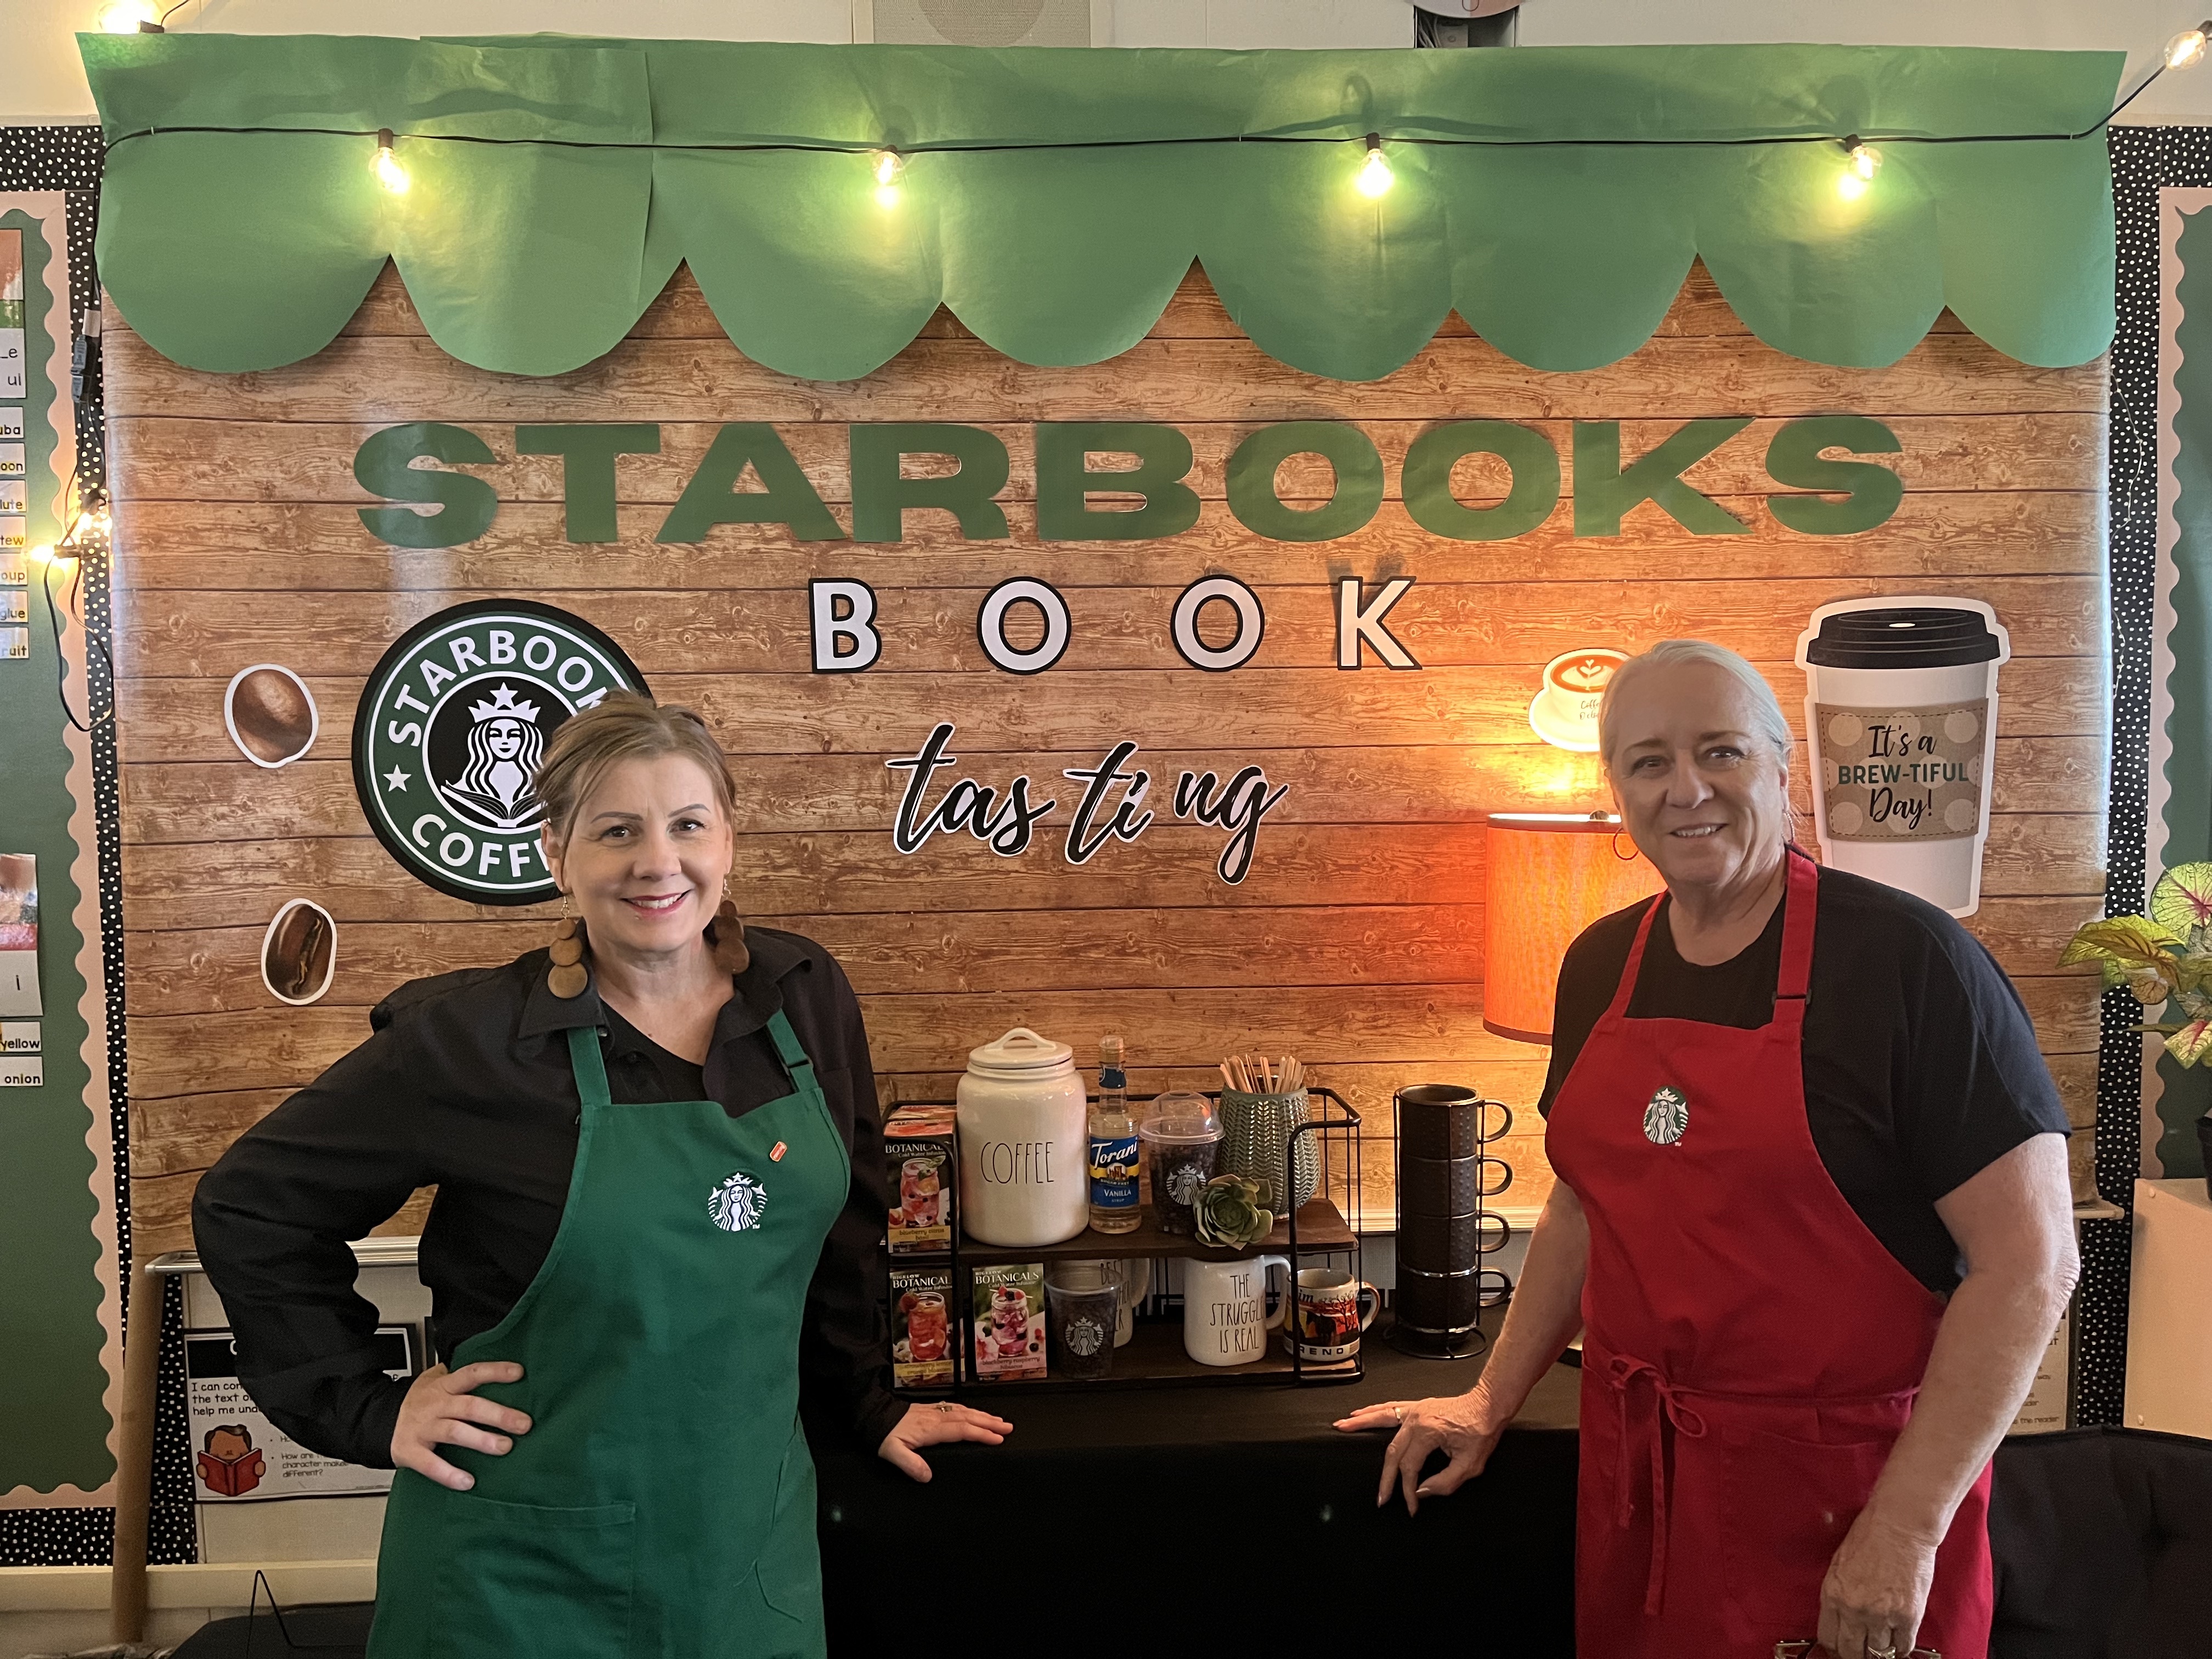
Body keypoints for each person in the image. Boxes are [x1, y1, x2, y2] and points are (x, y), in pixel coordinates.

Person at [193, 693, 1009, 1658]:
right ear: (555, 851)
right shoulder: (469, 1044)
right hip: (515, 1571)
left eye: (687, 825)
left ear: (729, 840)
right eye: (616, 831)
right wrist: (368, 1407)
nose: (657, 862)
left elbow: (841, 1232)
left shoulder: (802, 999)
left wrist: (867, 1401)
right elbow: (251, 1207)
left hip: (739, 1557)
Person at [1337, 640, 2078, 1659]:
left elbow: (2031, 1267)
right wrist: (1484, 1399)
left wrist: (1904, 1530)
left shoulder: (1913, 965)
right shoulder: (1602, 963)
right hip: (1644, 1493)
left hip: (1842, 1506)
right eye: (1648, 762)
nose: (1687, 788)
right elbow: (1582, 1208)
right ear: (1618, 791)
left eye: (1720, 751)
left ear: (1783, 767)